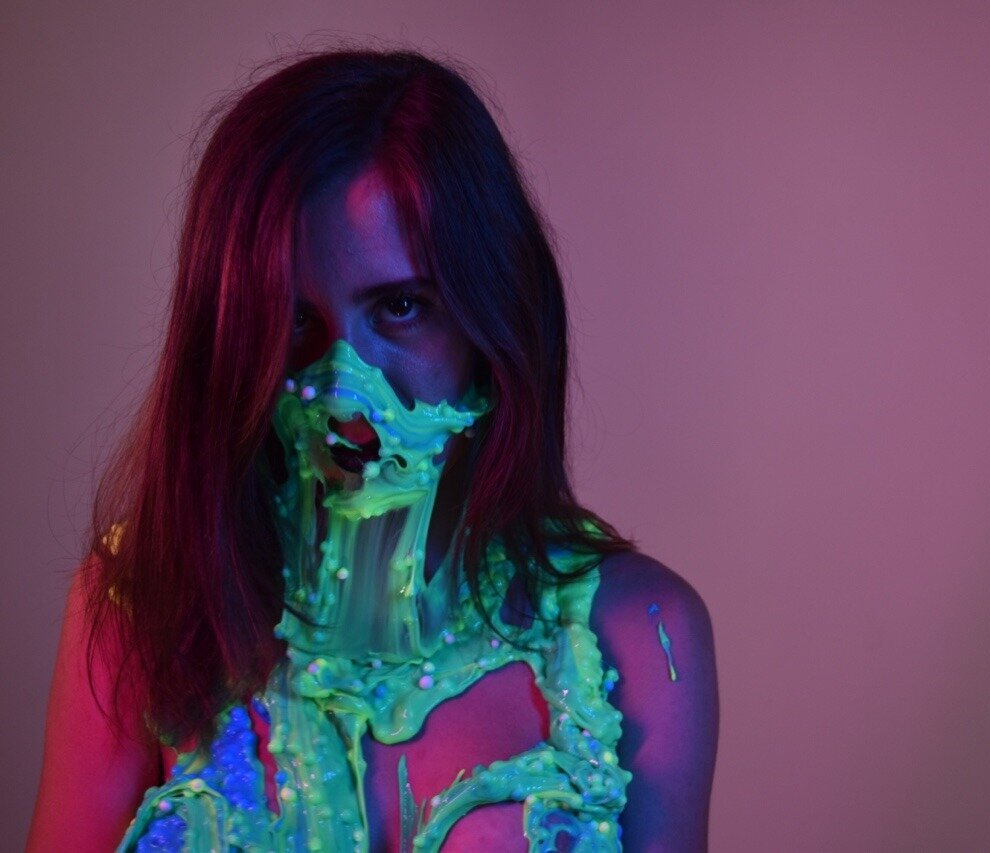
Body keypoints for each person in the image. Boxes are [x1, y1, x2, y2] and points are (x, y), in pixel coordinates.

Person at [26, 47, 718, 852]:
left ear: (494, 317)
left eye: (399, 307)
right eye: (291, 319)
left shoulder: (636, 634)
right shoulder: (140, 603)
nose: (342, 389)